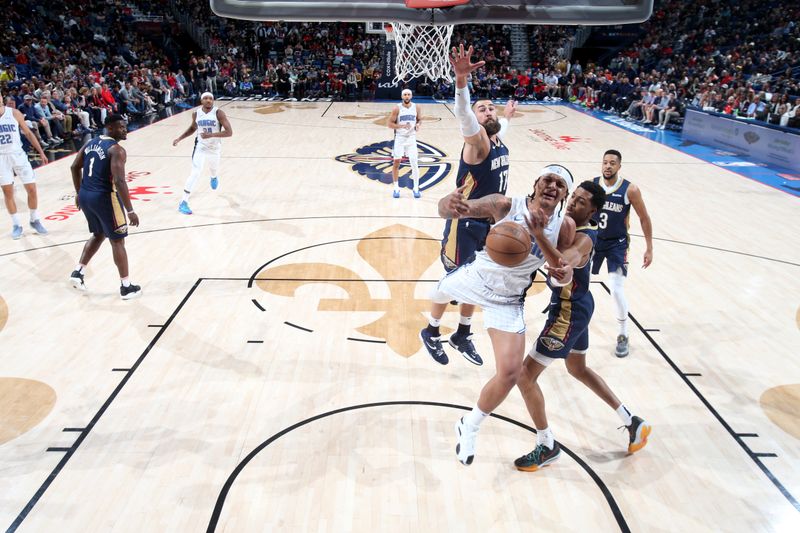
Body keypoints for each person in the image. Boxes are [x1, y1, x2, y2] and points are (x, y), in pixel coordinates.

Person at [433, 164, 575, 465]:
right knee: (438, 293)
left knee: (510, 374)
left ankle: (469, 425)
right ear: (536, 183)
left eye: (559, 185)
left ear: (564, 195)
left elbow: (560, 276)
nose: (552, 186)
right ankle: (435, 329)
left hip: (508, 300)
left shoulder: (564, 226)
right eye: (548, 179)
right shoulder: (504, 204)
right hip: (477, 277)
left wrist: (539, 235)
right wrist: (446, 205)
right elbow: (453, 210)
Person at [514, 181, 652, 471]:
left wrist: (538, 235)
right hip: (579, 303)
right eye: (573, 197)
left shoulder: (586, 238)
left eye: (580, 201)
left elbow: (566, 261)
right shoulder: (565, 225)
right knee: (578, 369)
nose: (573, 202)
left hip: (568, 311)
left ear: (593, 211)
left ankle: (546, 444)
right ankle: (632, 422)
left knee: (524, 375)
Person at [419, 44, 516, 367]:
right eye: (482, 109)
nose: (488, 111)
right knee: (454, 284)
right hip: (464, 226)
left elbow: (503, 128)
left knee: (479, 282)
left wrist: (507, 118)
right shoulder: (478, 142)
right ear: (475, 119)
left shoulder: (500, 139)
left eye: (492, 108)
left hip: (489, 226)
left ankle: (462, 333)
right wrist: (461, 81)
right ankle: (431, 331)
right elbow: (464, 117)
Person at [69, 114, 142, 299]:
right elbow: (119, 181)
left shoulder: (91, 142)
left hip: (86, 195)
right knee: (117, 241)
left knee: (99, 234)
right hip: (104, 198)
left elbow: (74, 167)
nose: (125, 129)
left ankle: (78, 272)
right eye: (121, 127)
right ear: (110, 128)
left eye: (125, 126)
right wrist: (131, 210)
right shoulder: (116, 150)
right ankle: (126, 287)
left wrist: (79, 192)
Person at [591, 150, 653, 357]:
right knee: (573, 280)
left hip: (617, 245)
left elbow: (644, 218)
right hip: (593, 241)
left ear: (619, 166)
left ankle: (623, 333)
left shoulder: (630, 190)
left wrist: (649, 247)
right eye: (605, 162)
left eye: (612, 163)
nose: (608, 166)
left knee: (616, 290)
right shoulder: (592, 186)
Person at [172, 92, 233, 214]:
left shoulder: (218, 113)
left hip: (215, 147)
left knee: (214, 169)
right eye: (205, 98)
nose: (208, 100)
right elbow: (192, 128)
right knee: (195, 172)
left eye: (210, 98)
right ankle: (183, 202)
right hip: (200, 146)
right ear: (201, 101)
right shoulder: (196, 114)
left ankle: (213, 177)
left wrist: (211, 135)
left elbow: (229, 132)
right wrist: (179, 138)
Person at [0, 97, 49, 239]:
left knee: (32, 189)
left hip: (18, 155)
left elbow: (28, 133)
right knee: (8, 193)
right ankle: (16, 224)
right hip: (1, 158)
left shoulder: (14, 113)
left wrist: (40, 151)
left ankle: (34, 219)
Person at [387, 89, 422, 198]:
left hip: (411, 138)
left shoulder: (417, 107)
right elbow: (389, 124)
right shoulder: (397, 108)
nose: (407, 96)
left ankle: (416, 188)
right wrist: (401, 126)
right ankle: (396, 188)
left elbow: (419, 120)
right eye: (405, 95)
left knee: (414, 163)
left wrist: (418, 125)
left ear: (411, 96)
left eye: (408, 94)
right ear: (402, 97)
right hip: (400, 138)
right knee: (396, 163)